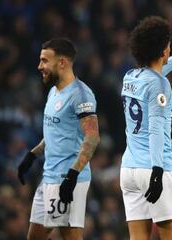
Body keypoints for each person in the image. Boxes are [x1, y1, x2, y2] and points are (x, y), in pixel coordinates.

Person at [120, 16, 172, 240]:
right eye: (168, 45)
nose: (170, 48)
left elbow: (154, 75)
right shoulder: (160, 85)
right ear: (162, 51)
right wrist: (157, 172)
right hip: (157, 167)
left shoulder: (130, 77)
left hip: (129, 169)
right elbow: (156, 130)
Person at [17, 38, 100, 240]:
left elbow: (92, 137)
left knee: (70, 236)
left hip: (67, 178)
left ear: (61, 62)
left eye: (45, 60)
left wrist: (72, 176)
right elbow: (56, 133)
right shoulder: (54, 91)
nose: (40, 66)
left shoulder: (81, 95)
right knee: (34, 236)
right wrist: (32, 155)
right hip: (49, 176)